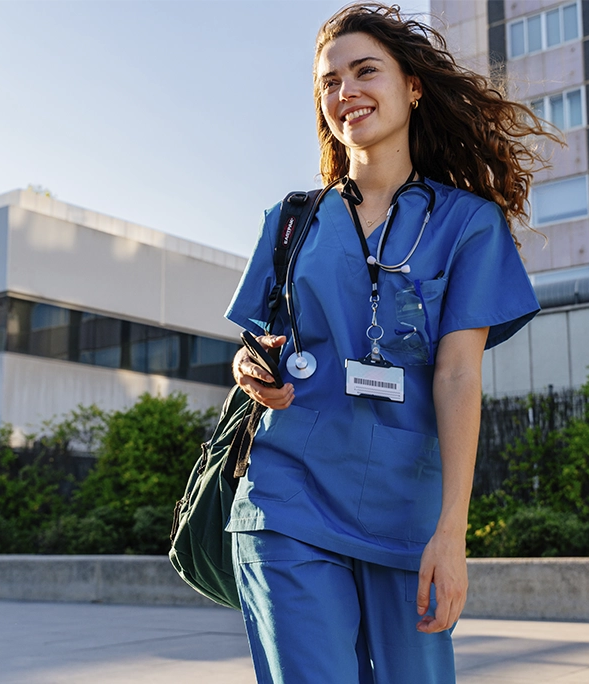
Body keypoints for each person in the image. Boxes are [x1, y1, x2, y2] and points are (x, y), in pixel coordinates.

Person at [224, 4, 554, 682]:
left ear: (412, 86)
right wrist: (248, 368)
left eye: (365, 70)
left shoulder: (469, 225)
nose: (347, 92)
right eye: (330, 81)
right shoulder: (291, 222)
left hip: (409, 515)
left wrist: (451, 533)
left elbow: (459, 376)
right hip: (288, 499)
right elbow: (256, 345)